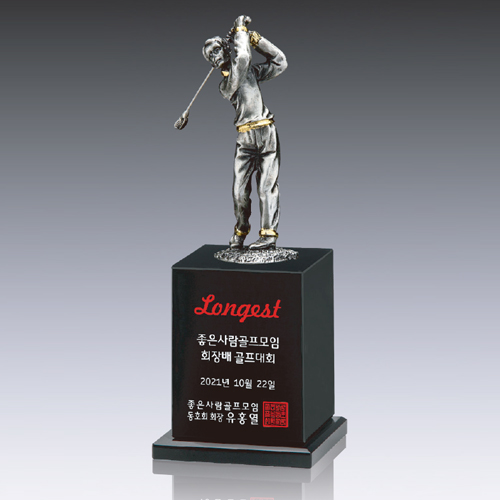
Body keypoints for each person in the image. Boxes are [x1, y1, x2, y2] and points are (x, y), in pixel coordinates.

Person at [203, 15, 287, 250]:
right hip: (245, 140)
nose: (215, 56)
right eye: (210, 56)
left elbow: (280, 62)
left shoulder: (250, 71)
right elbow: (241, 61)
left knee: (267, 187)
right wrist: (240, 30)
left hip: (266, 132)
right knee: (239, 192)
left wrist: (255, 40)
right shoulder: (225, 86)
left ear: (225, 48)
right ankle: (241, 230)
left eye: (217, 50)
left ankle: (268, 235)